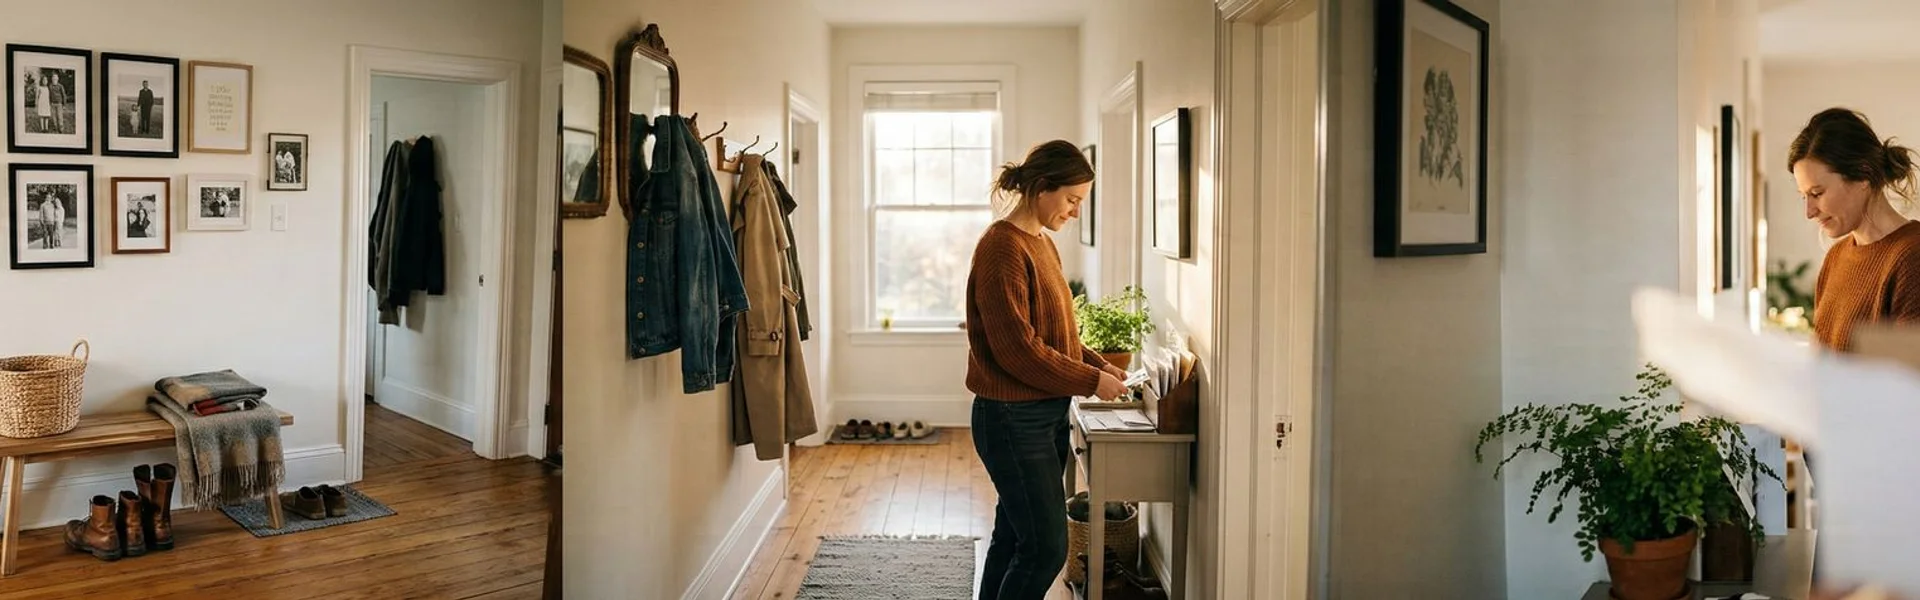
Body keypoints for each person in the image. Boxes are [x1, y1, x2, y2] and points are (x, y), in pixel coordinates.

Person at [965, 139, 1128, 599]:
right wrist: (1093, 380)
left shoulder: (1042, 245)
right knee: (1045, 549)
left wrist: (1100, 366)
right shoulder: (1001, 248)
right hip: (1012, 420)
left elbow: (1061, 339)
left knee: (1016, 538)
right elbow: (1020, 351)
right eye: (1072, 199)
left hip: (1042, 415)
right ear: (1040, 188)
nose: (1076, 212)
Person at [1790, 107, 1920, 353]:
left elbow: (1908, 382)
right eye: (1804, 196)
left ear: (1863, 175)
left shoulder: (1912, 257)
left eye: (1817, 193)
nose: (1809, 212)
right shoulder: (1836, 257)